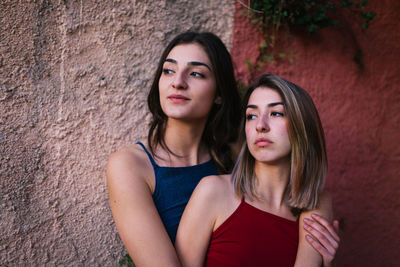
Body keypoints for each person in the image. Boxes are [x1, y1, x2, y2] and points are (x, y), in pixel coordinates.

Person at [107, 32, 339, 267]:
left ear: (219, 93)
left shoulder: (241, 152)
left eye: (196, 73)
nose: (177, 82)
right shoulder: (131, 165)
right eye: (168, 70)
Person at [175, 74, 340, 267]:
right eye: (251, 116)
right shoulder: (213, 192)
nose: (260, 125)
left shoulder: (316, 201)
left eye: (276, 113)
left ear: (302, 127)